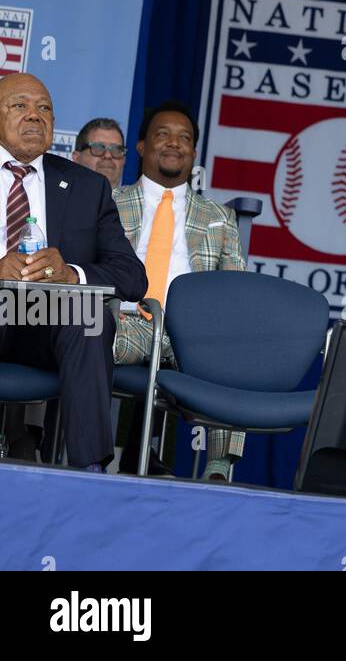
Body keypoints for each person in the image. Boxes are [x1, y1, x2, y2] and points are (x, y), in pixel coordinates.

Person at [0, 73, 147, 470]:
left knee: (90, 318)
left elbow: (132, 277)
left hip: (47, 318)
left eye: (45, 108)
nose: (34, 116)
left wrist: (71, 275)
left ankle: (88, 473)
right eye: (20, 106)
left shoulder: (85, 187)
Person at [113, 101, 248, 481]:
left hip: (193, 334)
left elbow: (236, 287)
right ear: (141, 146)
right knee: (81, 334)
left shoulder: (219, 217)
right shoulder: (110, 202)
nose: (174, 144)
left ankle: (219, 468)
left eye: (184, 138)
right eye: (163, 135)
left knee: (235, 346)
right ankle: (87, 455)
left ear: (194, 152)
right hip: (126, 321)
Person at [71, 117, 128, 191]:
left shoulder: (141, 202)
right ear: (76, 158)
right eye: (98, 148)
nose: (108, 155)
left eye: (116, 149)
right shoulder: (57, 199)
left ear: (124, 160)